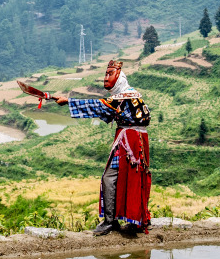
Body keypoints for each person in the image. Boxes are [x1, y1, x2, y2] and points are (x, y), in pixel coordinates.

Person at [50, 60, 152, 235]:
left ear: (119, 77)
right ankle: (132, 220)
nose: (105, 79)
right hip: (133, 140)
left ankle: (112, 221)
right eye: (105, 74)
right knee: (130, 178)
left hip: (129, 142)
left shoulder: (125, 96)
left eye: (110, 74)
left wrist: (68, 101)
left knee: (111, 177)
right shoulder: (128, 95)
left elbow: (100, 106)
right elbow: (108, 110)